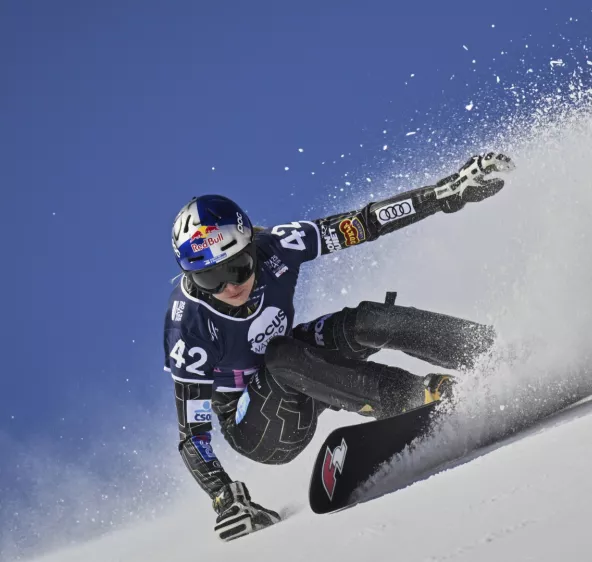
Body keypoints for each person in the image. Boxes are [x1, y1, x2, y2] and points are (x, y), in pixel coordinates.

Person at [163, 153, 514, 541]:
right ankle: (416, 396)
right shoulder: (188, 325)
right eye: (210, 278)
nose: (229, 286)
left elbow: (362, 223)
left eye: (237, 267)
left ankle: (490, 350)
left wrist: (445, 193)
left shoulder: (277, 246)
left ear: (251, 247)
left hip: (302, 368)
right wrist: (225, 497)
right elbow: (192, 434)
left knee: (364, 322)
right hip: (259, 428)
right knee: (281, 354)